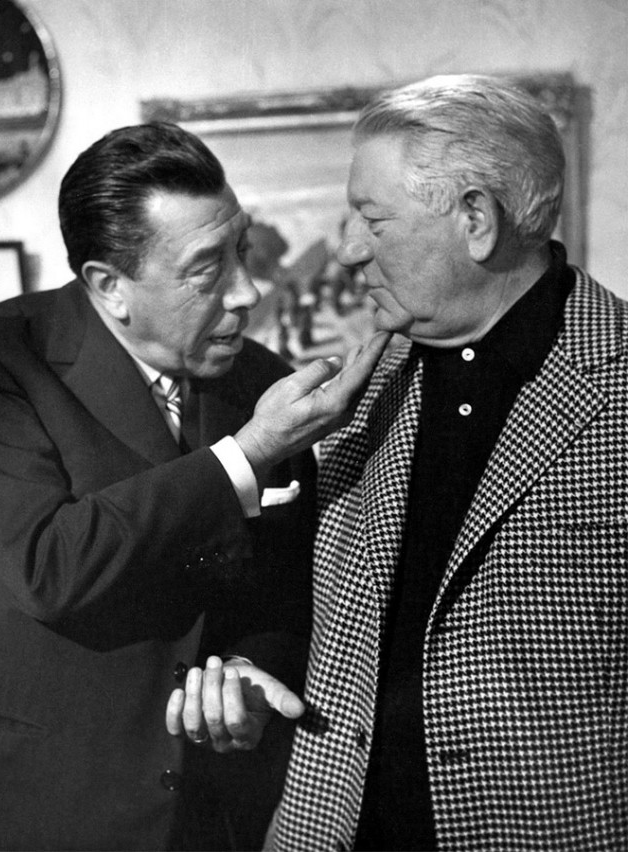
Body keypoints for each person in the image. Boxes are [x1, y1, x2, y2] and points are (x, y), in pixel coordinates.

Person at [172, 74, 628, 851]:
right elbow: (308, 607)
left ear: (476, 220)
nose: (349, 249)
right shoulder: (359, 382)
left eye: (372, 220)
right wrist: (255, 667)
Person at [0, 122, 388, 852]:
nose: (248, 291)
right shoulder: (3, 360)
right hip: (51, 810)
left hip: (219, 815)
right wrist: (249, 453)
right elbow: (49, 566)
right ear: (110, 287)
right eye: (208, 270)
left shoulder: (263, 380)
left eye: (242, 251)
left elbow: (287, 592)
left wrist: (250, 667)